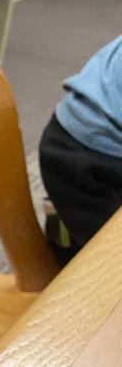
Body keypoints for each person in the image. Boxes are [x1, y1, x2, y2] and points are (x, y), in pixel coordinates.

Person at [40, 35, 122, 261]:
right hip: (94, 158)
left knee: (77, 214)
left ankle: (61, 226)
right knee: (105, 256)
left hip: (65, 134)